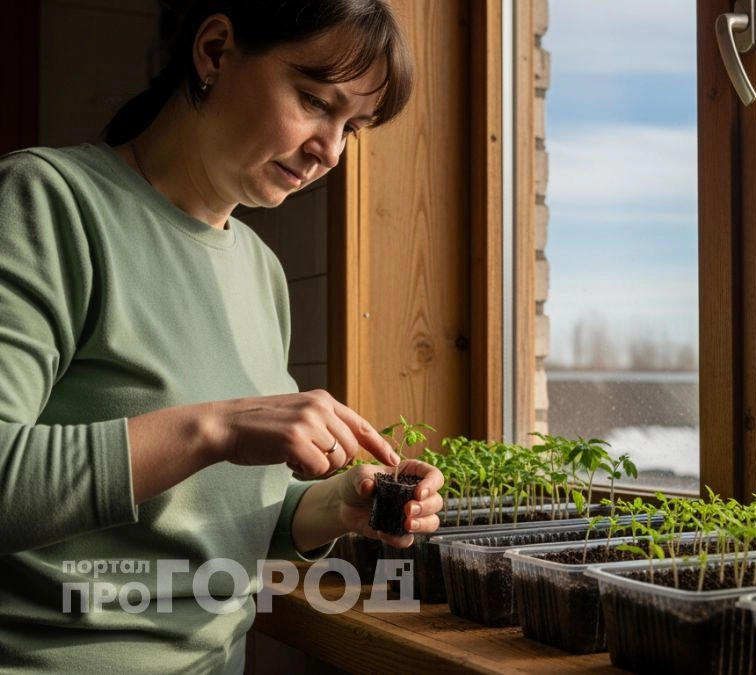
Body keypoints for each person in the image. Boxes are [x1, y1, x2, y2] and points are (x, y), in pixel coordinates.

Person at [0, 1, 444, 671]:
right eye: (315, 102)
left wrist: (340, 504)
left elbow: (236, 511)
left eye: (353, 126)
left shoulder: (260, 271)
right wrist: (216, 429)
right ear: (214, 51)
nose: (331, 150)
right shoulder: (45, 202)